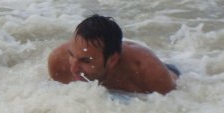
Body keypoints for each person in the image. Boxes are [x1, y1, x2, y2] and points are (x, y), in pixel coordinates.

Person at [47, 14, 178, 95]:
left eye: (86, 61)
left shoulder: (148, 71)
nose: (73, 69)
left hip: (170, 70)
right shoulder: (59, 62)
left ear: (113, 60)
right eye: (71, 55)